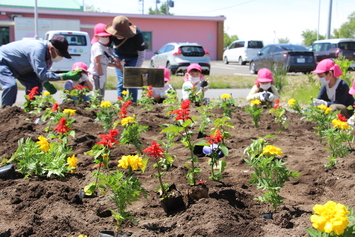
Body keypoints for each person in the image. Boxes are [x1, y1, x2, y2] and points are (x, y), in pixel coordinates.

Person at [0, 35, 82, 107]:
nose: (61, 57)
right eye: (60, 54)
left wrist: (45, 82)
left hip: (21, 67)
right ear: (52, 48)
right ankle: (5, 112)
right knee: (10, 86)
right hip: (4, 62)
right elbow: (42, 74)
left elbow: (41, 74)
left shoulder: (49, 55)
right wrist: (64, 76)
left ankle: (32, 109)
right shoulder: (38, 49)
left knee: (35, 85)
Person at [105, 15, 146, 102]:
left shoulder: (137, 34)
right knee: (121, 83)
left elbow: (141, 54)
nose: (117, 36)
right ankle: (121, 105)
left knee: (132, 82)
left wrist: (136, 70)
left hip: (134, 57)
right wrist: (114, 58)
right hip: (118, 56)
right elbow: (107, 49)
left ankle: (133, 105)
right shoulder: (110, 34)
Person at [88, 23, 119, 100]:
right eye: (102, 36)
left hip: (101, 74)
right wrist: (101, 75)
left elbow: (104, 62)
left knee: (101, 96)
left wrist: (115, 65)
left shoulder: (104, 47)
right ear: (96, 36)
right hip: (96, 75)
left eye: (106, 36)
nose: (105, 38)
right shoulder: (97, 46)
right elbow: (97, 62)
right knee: (97, 96)